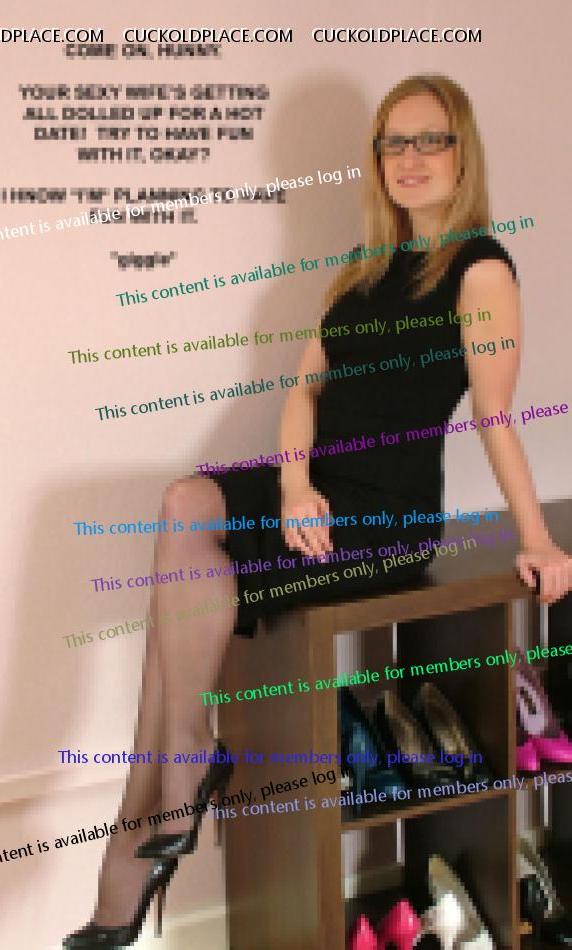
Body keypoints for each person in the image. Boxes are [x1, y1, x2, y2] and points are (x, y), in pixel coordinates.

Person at [63, 73, 572, 948]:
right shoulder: (362, 270)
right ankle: (183, 768)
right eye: (393, 142)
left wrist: (536, 538)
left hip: (384, 513)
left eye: (431, 139)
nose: (410, 158)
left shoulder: (480, 269)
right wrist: (294, 484)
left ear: (462, 154)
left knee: (180, 586)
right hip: (317, 490)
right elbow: (303, 391)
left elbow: (494, 414)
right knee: (184, 506)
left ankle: (148, 827)